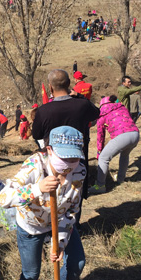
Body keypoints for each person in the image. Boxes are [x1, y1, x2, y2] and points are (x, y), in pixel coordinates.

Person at [0, 126, 87, 280]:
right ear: (49, 150)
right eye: (64, 158)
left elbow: (72, 209)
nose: (68, 165)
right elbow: (4, 198)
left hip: (60, 223)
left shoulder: (79, 171)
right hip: (31, 226)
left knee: (77, 262)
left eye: (73, 159)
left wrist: (60, 242)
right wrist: (36, 189)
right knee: (31, 272)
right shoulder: (34, 165)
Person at [32, 69, 100, 224]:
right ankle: (73, 228)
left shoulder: (44, 110)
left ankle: (52, 228)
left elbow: (36, 134)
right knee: (75, 193)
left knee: (53, 193)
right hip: (78, 156)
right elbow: (96, 113)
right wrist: (81, 96)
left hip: (53, 160)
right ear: (70, 85)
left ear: (50, 88)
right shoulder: (82, 105)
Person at [90, 95, 139, 194]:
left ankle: (100, 185)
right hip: (135, 134)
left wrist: (99, 152)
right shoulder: (121, 107)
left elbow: (100, 135)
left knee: (104, 158)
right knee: (125, 155)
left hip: (121, 135)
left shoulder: (102, 113)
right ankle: (121, 179)